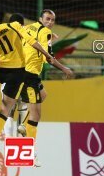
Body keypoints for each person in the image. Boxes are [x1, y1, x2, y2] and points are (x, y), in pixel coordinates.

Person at [0, 13, 54, 159]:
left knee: (14, 104)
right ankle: (1, 139)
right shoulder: (16, 28)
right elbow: (32, 41)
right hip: (19, 73)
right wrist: (47, 54)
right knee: (11, 109)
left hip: (1, 69)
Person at [18, 9, 73, 166]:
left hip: (23, 71)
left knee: (43, 95)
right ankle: (32, 154)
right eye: (47, 19)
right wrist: (65, 69)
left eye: (52, 20)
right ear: (40, 18)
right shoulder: (45, 33)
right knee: (36, 116)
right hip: (29, 75)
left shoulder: (28, 28)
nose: (50, 22)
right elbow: (49, 58)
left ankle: (22, 120)